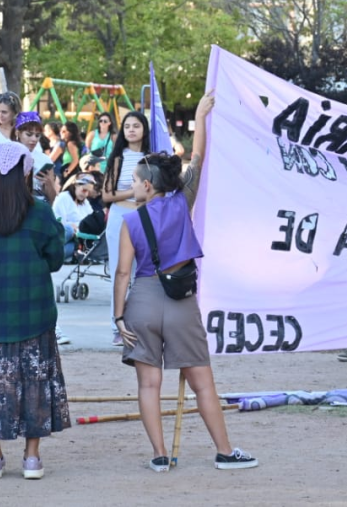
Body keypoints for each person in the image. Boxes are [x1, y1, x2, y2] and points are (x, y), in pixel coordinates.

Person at [114, 93, 258, 472]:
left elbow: (123, 273)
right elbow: (197, 158)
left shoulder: (130, 221)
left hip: (142, 301)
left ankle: (160, 456)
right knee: (203, 383)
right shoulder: (183, 201)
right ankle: (224, 451)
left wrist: (118, 316)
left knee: (149, 385)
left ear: (148, 185)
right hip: (180, 299)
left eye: (135, 181)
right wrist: (200, 116)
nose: (132, 186)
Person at [0, 141, 70, 480]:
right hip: (33, 314)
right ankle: (31, 458)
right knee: (35, 382)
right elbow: (56, 258)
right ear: (26, 173)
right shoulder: (40, 212)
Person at [102, 111, 150, 345]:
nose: (131, 130)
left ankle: (141, 324)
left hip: (144, 215)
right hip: (120, 215)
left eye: (136, 126)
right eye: (127, 126)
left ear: (144, 129)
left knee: (144, 272)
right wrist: (134, 190)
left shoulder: (151, 157)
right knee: (120, 272)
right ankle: (117, 326)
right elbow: (106, 194)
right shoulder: (118, 158)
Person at [53, 173, 99, 260]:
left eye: (88, 192)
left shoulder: (85, 203)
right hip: (62, 233)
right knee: (69, 229)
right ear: (76, 185)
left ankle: (54, 256)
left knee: (78, 247)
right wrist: (70, 225)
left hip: (77, 239)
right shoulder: (63, 197)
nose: (85, 194)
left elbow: (91, 219)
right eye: (84, 190)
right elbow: (57, 220)